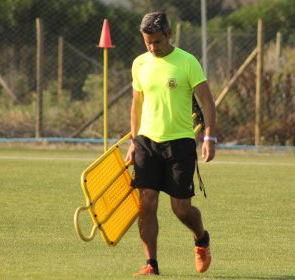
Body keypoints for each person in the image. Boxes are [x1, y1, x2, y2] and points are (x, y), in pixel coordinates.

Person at [126, 11, 217, 276]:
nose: (152, 47)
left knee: (181, 208)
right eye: (147, 42)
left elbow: (208, 102)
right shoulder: (139, 64)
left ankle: (201, 239)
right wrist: (133, 140)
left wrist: (209, 136)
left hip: (180, 143)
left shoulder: (187, 62)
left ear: (168, 35)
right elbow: (136, 104)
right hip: (146, 142)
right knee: (147, 204)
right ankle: (151, 264)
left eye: (157, 41)